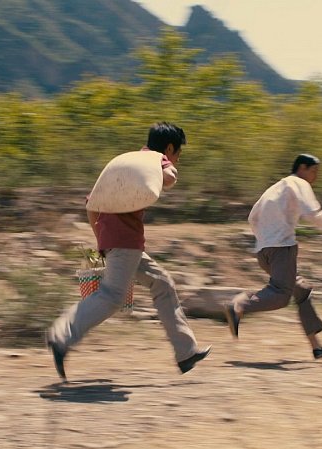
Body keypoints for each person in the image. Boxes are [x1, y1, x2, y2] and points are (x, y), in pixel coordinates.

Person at [47, 122, 211, 382]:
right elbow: (169, 178)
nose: (178, 158)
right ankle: (61, 335)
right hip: (126, 242)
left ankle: (186, 353)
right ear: (169, 148)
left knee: (162, 283)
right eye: (178, 153)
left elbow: (92, 206)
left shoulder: (127, 162)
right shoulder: (155, 160)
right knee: (111, 296)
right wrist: (169, 168)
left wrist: (101, 240)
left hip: (119, 242)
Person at [224, 154, 322, 359]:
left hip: (263, 250)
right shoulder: (299, 183)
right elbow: (312, 211)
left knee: (301, 290)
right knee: (280, 295)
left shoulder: (276, 187)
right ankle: (239, 304)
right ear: (302, 168)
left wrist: (264, 239)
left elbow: (252, 217)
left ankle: (317, 347)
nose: (316, 176)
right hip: (282, 249)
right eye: (314, 171)